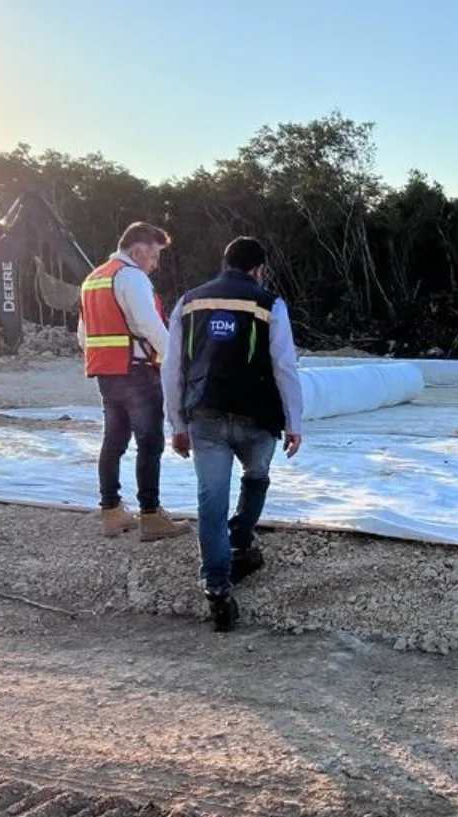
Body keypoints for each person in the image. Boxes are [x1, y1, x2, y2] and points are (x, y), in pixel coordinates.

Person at [162, 236, 304, 632]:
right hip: (256, 417)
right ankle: (241, 541)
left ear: (225, 263)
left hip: (204, 415)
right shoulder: (269, 304)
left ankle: (218, 591)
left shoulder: (189, 302)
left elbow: (172, 367)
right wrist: (294, 421)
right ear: (259, 269)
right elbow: (284, 366)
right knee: (256, 477)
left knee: (210, 501)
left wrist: (176, 422)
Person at [78, 221, 193, 542]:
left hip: (106, 374)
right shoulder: (131, 277)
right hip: (137, 372)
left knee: (113, 441)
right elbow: (150, 326)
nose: (155, 264)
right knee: (150, 442)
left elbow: (82, 335)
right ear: (139, 250)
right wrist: (178, 364)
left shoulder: (93, 279)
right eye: (154, 256)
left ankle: (112, 512)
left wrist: (107, 359)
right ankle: (151, 515)